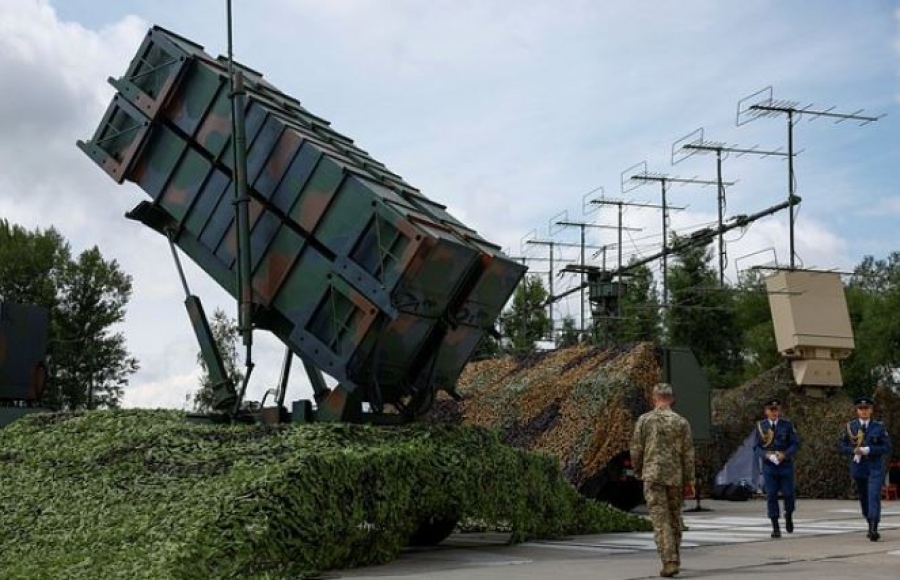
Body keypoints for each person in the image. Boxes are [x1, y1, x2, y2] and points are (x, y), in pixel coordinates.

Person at [631, 382, 695, 578]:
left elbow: (636, 449)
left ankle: (669, 561)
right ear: (672, 399)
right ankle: (675, 556)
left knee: (661, 520)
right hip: (674, 477)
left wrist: (638, 469)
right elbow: (688, 454)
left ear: (654, 398)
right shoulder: (682, 422)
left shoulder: (644, 420)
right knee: (675, 518)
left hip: (652, 476)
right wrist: (689, 480)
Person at [839, 395, 892, 541]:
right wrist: (852, 450)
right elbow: (842, 445)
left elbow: (887, 447)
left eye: (866, 408)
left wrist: (869, 449)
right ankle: (869, 522)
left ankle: (874, 527)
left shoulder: (879, 427)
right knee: (864, 497)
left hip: (874, 466)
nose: (863, 411)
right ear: (857, 411)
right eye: (861, 409)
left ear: (871, 410)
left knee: (874, 495)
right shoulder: (851, 427)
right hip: (859, 466)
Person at [752, 397, 801, 539]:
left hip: (784, 464)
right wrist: (765, 456)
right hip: (769, 466)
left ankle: (789, 514)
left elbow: (795, 443)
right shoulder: (761, 426)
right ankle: (775, 526)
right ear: (766, 412)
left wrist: (785, 454)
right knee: (771, 494)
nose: (774, 413)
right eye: (771, 410)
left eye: (776, 410)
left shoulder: (787, 425)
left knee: (788, 493)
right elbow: (756, 447)